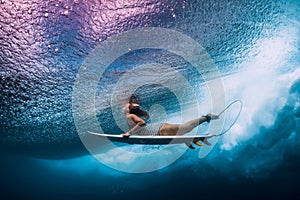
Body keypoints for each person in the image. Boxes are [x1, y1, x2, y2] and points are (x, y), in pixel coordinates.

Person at [120, 95, 219, 149]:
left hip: (160, 130)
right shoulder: (129, 116)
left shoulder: (130, 115)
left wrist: (129, 133)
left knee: (186, 128)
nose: (122, 108)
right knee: (185, 130)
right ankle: (189, 139)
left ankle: (206, 117)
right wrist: (131, 140)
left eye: (124, 107)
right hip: (158, 132)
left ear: (128, 108)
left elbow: (142, 123)